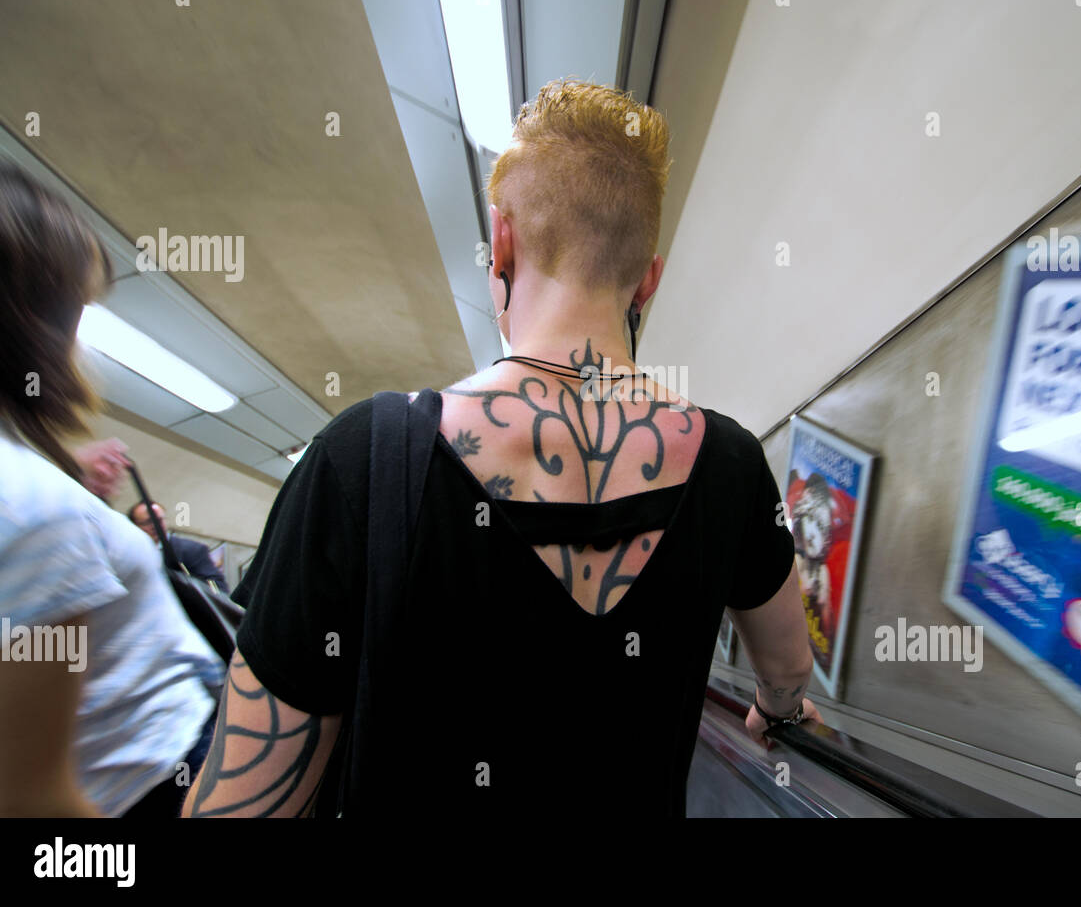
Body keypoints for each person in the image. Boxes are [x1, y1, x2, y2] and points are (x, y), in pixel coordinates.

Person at [184, 79, 821, 819]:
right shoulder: (732, 465)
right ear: (648, 280)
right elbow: (788, 666)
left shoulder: (366, 458)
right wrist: (776, 711)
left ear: (502, 243)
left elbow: (245, 804)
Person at [0, 160, 223, 817]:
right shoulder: (27, 505)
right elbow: (29, 804)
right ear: (34, 319)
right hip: (159, 781)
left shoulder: (19, 486)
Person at [127, 500, 231, 595]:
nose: (155, 526)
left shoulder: (190, 550)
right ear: (134, 525)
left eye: (159, 520)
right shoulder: (128, 552)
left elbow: (218, 588)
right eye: (147, 522)